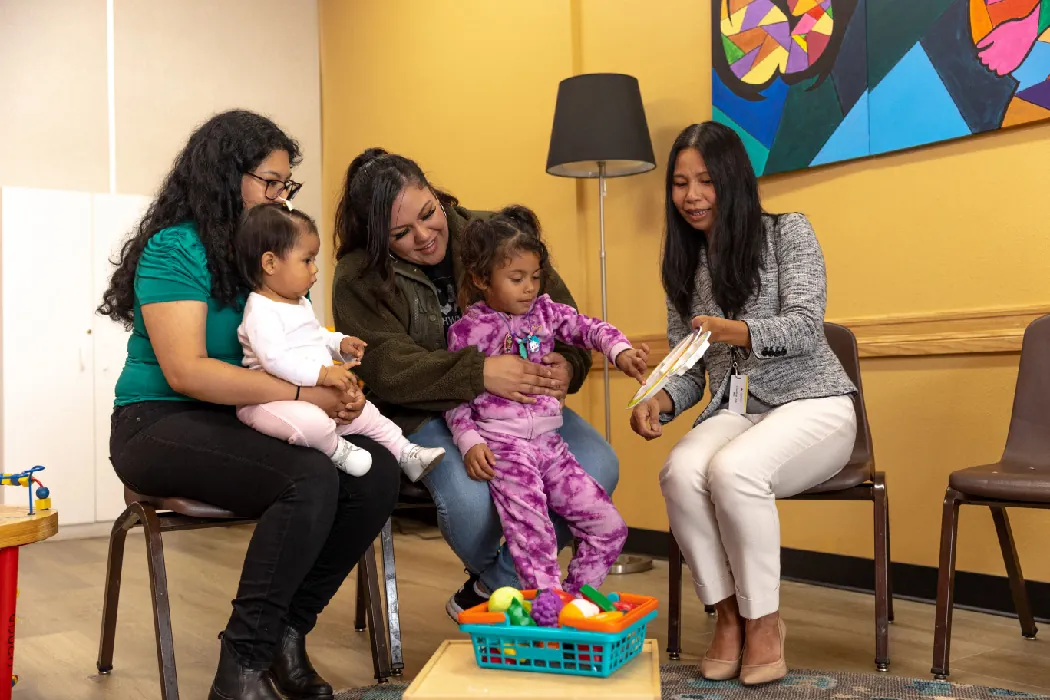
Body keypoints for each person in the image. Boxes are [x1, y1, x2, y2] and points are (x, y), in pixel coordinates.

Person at [98, 110, 399, 700]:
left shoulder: (269, 254)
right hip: (156, 423)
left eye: (288, 185)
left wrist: (337, 384)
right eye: (271, 181)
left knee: (376, 471)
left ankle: (287, 635)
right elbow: (187, 372)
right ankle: (241, 669)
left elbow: (301, 344)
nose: (282, 197)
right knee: (310, 475)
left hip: (245, 417)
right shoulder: (176, 248)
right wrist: (303, 393)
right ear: (224, 176)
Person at [330, 148, 620, 620]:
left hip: (522, 407)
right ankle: (523, 591)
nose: (424, 237)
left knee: (600, 466)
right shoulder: (358, 276)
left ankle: (493, 588)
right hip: (424, 410)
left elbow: (563, 315)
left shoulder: (495, 234)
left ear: (436, 194)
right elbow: (385, 367)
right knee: (470, 502)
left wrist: (569, 366)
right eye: (401, 234)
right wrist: (479, 373)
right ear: (377, 237)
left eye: (429, 214)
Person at [629, 122, 857, 686]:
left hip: (815, 403)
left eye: (705, 180)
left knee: (732, 471)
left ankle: (765, 623)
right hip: (735, 409)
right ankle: (726, 617)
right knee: (680, 471)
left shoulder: (788, 233)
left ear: (732, 180)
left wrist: (736, 331)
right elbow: (691, 369)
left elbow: (807, 328)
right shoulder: (682, 265)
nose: (692, 196)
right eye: (680, 184)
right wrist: (661, 398)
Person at [444, 205, 646, 594]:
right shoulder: (467, 331)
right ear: (482, 279)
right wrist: (469, 441)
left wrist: (619, 351)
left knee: (609, 528)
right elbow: (454, 397)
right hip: (505, 450)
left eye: (535, 277)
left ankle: (571, 606)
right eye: (516, 278)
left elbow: (590, 329)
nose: (529, 288)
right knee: (536, 549)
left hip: (551, 446)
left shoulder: (547, 313)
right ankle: (547, 635)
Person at [233, 203, 445, 481]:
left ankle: (406, 453)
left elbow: (314, 335)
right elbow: (275, 359)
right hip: (271, 402)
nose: (315, 270)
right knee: (314, 424)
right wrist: (324, 375)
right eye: (307, 260)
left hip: (311, 393)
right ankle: (337, 450)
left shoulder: (296, 303)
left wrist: (338, 343)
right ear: (270, 263)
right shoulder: (260, 311)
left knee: (368, 414)